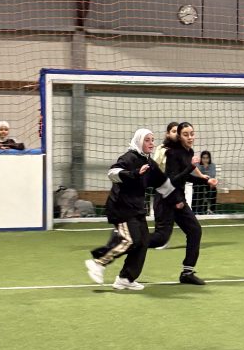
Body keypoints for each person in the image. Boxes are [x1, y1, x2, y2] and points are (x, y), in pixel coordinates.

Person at [85, 128, 173, 291]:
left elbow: (164, 183)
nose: (151, 143)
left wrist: (178, 200)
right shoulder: (129, 158)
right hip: (121, 208)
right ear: (139, 141)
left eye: (153, 140)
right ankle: (98, 262)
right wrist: (134, 173)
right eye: (147, 140)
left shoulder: (150, 163)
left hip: (136, 209)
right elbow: (112, 173)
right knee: (129, 240)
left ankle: (126, 278)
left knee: (143, 242)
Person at [147, 122, 218, 285]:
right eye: (186, 134)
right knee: (160, 239)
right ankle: (129, 240)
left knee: (195, 231)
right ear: (179, 136)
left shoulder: (189, 152)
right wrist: (191, 166)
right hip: (166, 199)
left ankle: (187, 273)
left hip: (178, 199)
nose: (190, 137)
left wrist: (206, 181)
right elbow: (171, 180)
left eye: (192, 133)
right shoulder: (173, 153)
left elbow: (184, 178)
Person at [192, 150, 218, 214]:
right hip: (198, 183)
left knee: (214, 190)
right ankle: (197, 210)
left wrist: (203, 174)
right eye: (203, 158)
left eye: (207, 158)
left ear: (209, 158)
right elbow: (195, 175)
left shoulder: (212, 165)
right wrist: (203, 169)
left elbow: (212, 175)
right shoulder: (197, 165)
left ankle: (212, 210)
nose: (205, 160)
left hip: (208, 183)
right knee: (199, 189)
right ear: (201, 158)